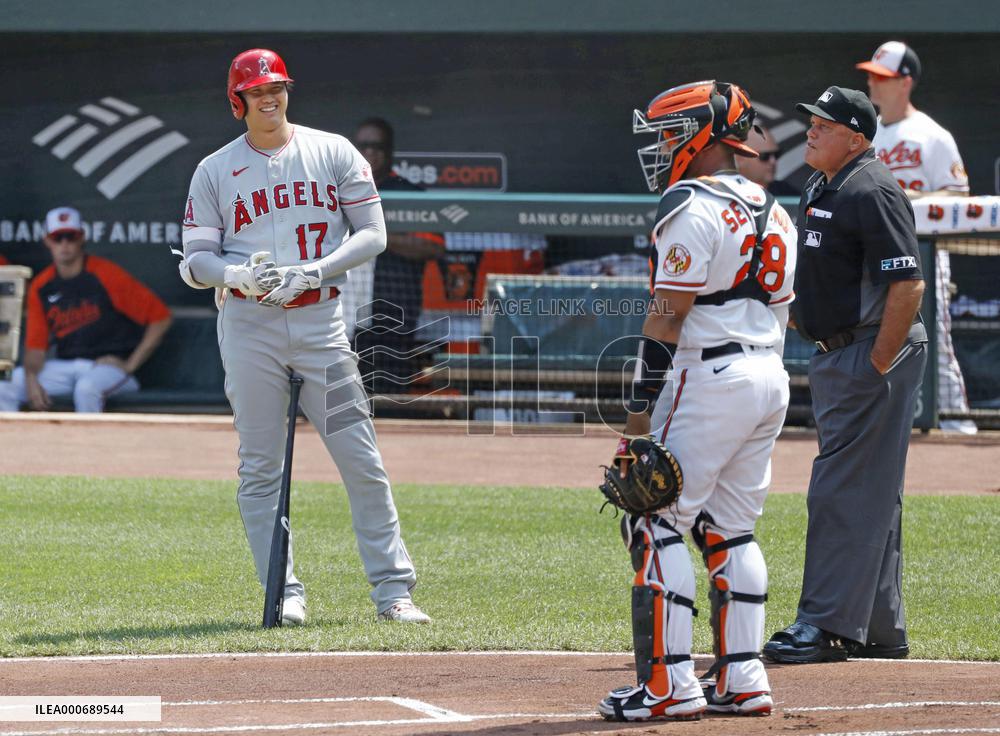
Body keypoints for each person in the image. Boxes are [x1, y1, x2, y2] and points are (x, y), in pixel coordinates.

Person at [177, 48, 430, 625]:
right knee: (260, 467)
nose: (270, 98)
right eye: (258, 91)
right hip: (249, 325)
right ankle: (283, 590)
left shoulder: (333, 150)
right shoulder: (215, 169)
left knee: (360, 456)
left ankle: (394, 591)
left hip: (322, 323)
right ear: (236, 101)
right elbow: (195, 261)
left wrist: (316, 270)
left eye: (278, 88)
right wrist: (235, 274)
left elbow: (374, 234)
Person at [598, 80, 796, 722]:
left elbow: (667, 318)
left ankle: (668, 686)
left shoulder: (689, 203)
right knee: (730, 529)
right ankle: (743, 678)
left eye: (671, 131)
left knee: (653, 521)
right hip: (769, 376)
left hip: (708, 377)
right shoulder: (776, 208)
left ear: (704, 135)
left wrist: (636, 417)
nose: (661, 144)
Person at [763, 86, 927, 664]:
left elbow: (908, 283)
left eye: (824, 125)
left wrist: (876, 363)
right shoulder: (823, 184)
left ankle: (825, 624)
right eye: (810, 120)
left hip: (867, 353)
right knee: (872, 491)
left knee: (840, 490)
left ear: (855, 138)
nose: (809, 129)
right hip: (837, 353)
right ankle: (881, 628)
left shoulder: (872, 187)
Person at [857, 40, 976, 434]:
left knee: (935, 341)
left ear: (905, 82)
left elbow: (959, 196)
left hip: (920, 251)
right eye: (871, 76)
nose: (873, 85)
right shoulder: (867, 136)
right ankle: (882, 423)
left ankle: (957, 429)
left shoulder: (931, 135)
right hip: (871, 257)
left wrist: (907, 200)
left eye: (883, 77)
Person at [0, 207, 171, 413]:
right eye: (58, 237)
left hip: (108, 368)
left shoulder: (106, 274)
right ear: (47, 240)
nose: (64, 244)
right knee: (5, 385)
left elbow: (161, 318)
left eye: (70, 237)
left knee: (87, 388)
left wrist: (130, 365)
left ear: (82, 238)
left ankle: (91, 445)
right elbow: (35, 348)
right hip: (64, 368)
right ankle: (13, 445)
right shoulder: (42, 286)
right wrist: (30, 378)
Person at [351, 117, 445, 396]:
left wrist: (378, 237)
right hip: (346, 311)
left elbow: (433, 246)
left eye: (377, 146)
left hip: (394, 307)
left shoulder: (411, 193)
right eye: (363, 146)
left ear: (390, 150)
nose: (370, 152)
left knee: (387, 391)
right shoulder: (342, 191)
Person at [735, 124, 799, 197]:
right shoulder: (724, 191)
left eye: (776, 154)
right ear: (740, 158)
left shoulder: (789, 195)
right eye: (765, 156)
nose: (773, 161)